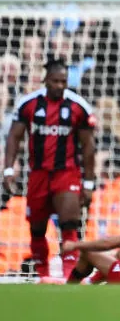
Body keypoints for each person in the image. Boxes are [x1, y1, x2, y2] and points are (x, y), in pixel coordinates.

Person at [2, 60, 96, 280]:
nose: (60, 85)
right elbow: (14, 138)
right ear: (46, 81)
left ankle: (68, 274)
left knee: (69, 224)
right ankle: (43, 273)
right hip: (38, 174)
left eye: (64, 81)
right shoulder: (28, 104)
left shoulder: (77, 106)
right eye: (55, 81)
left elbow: (89, 147)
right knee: (36, 227)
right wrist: (8, 169)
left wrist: (89, 183)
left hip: (67, 172)